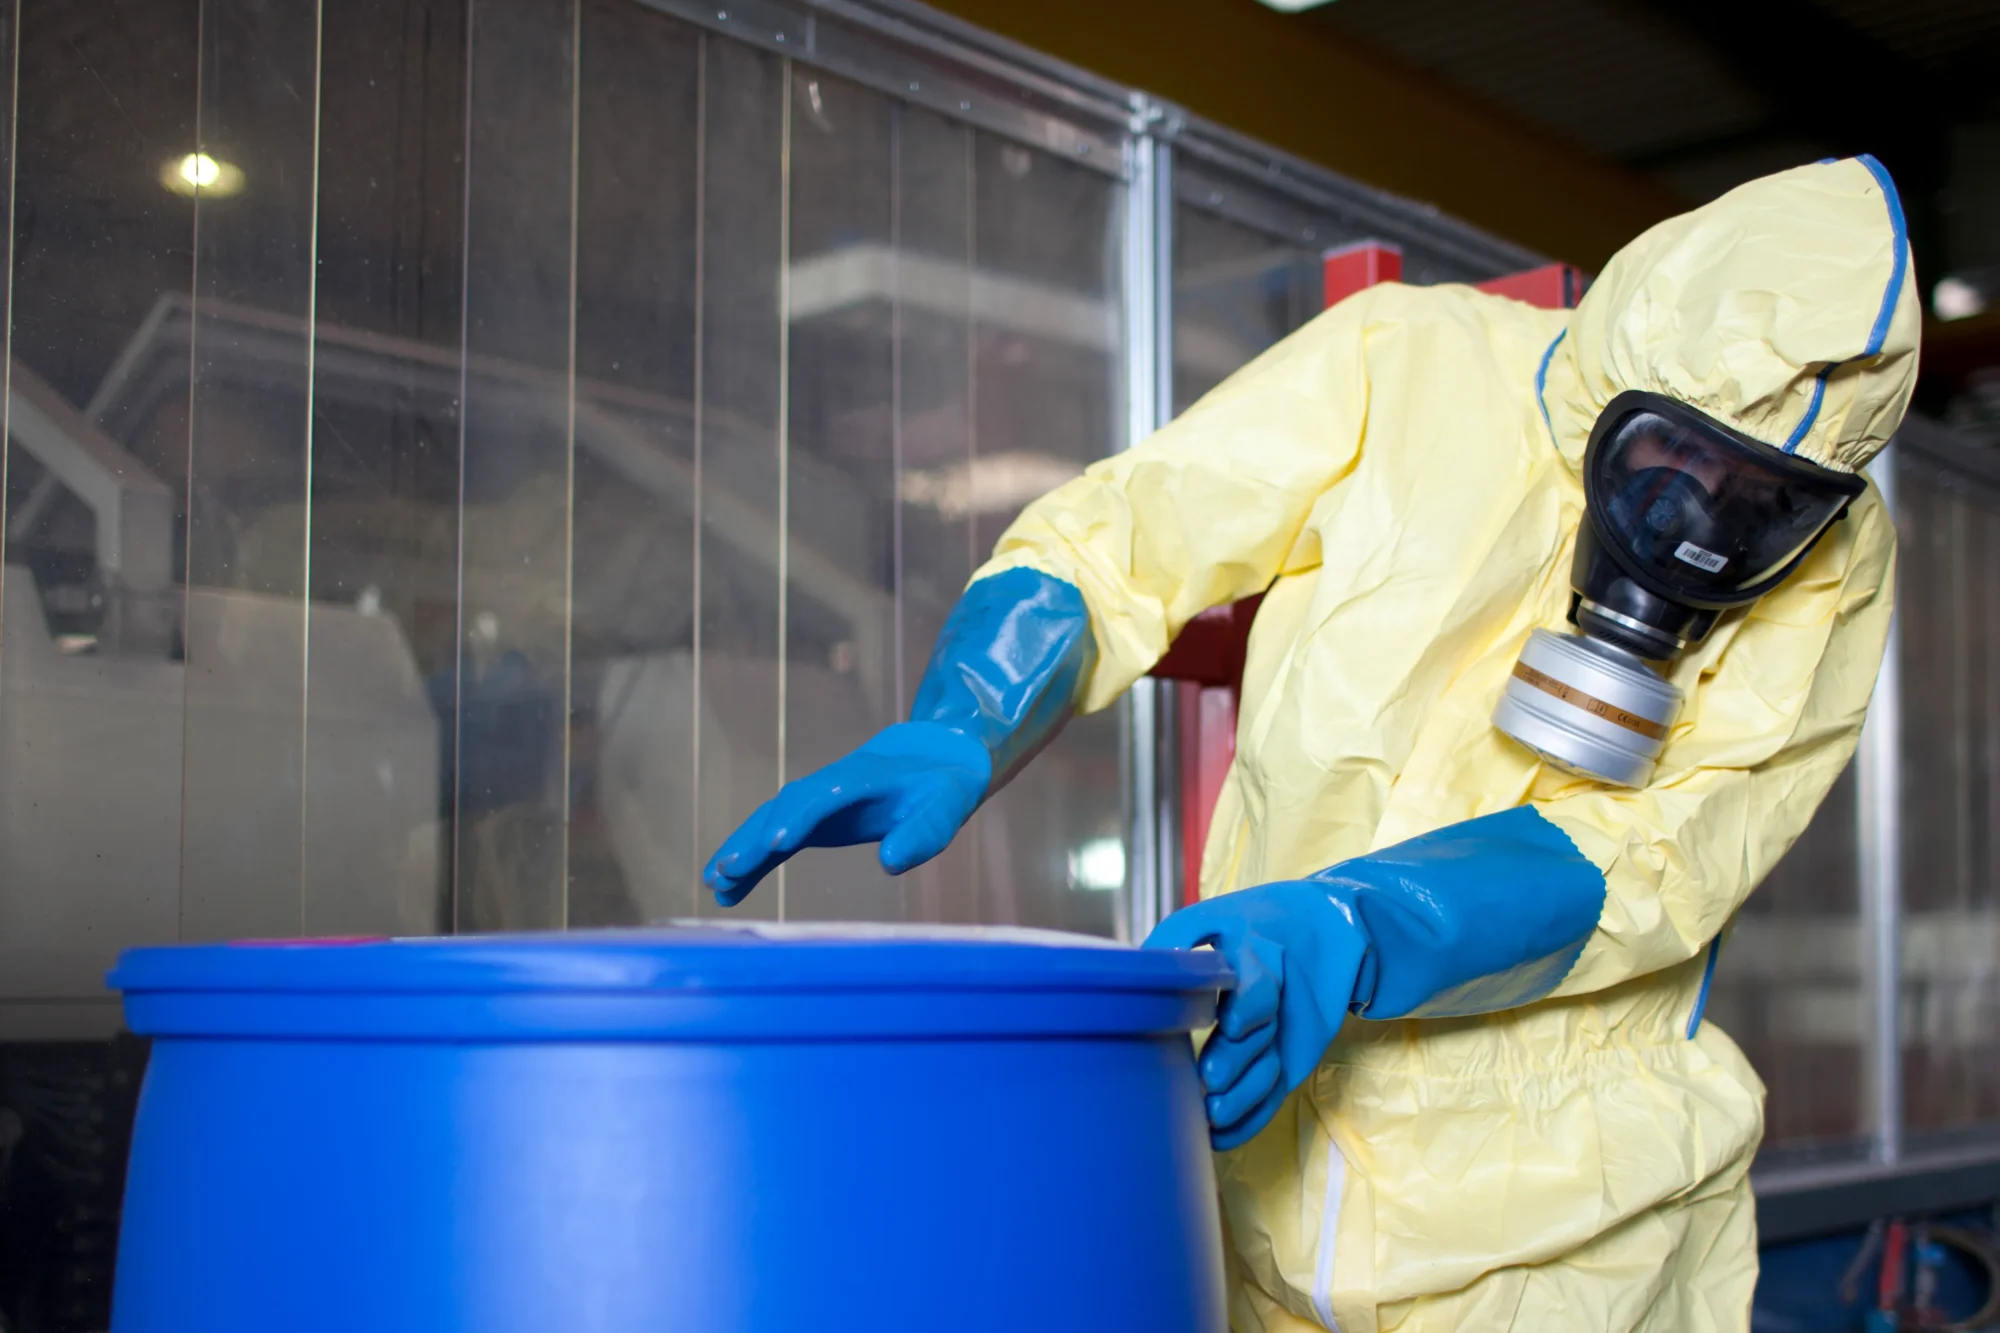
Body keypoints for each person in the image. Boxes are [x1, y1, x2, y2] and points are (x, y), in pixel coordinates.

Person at [704, 156, 1915, 1331]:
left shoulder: (1837, 565)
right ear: (1623, 374)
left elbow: (1653, 852)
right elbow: (1129, 535)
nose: (1698, 523)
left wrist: (1356, 921)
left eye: (1761, 501)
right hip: (1260, 1153)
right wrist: (971, 706)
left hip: (1570, 1230)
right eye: (1674, 458)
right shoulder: (1411, 365)